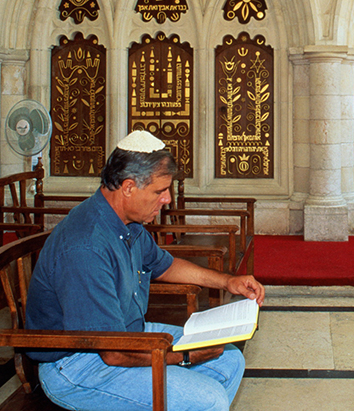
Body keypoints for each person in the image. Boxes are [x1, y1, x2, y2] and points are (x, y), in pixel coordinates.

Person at [25, 130, 265, 411]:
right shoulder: (86, 246)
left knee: (229, 360)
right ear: (128, 187)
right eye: (160, 191)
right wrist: (185, 356)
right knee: (209, 399)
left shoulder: (128, 223)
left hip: (129, 334)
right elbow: (113, 352)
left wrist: (227, 282)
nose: (167, 200)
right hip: (78, 365)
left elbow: (166, 265)